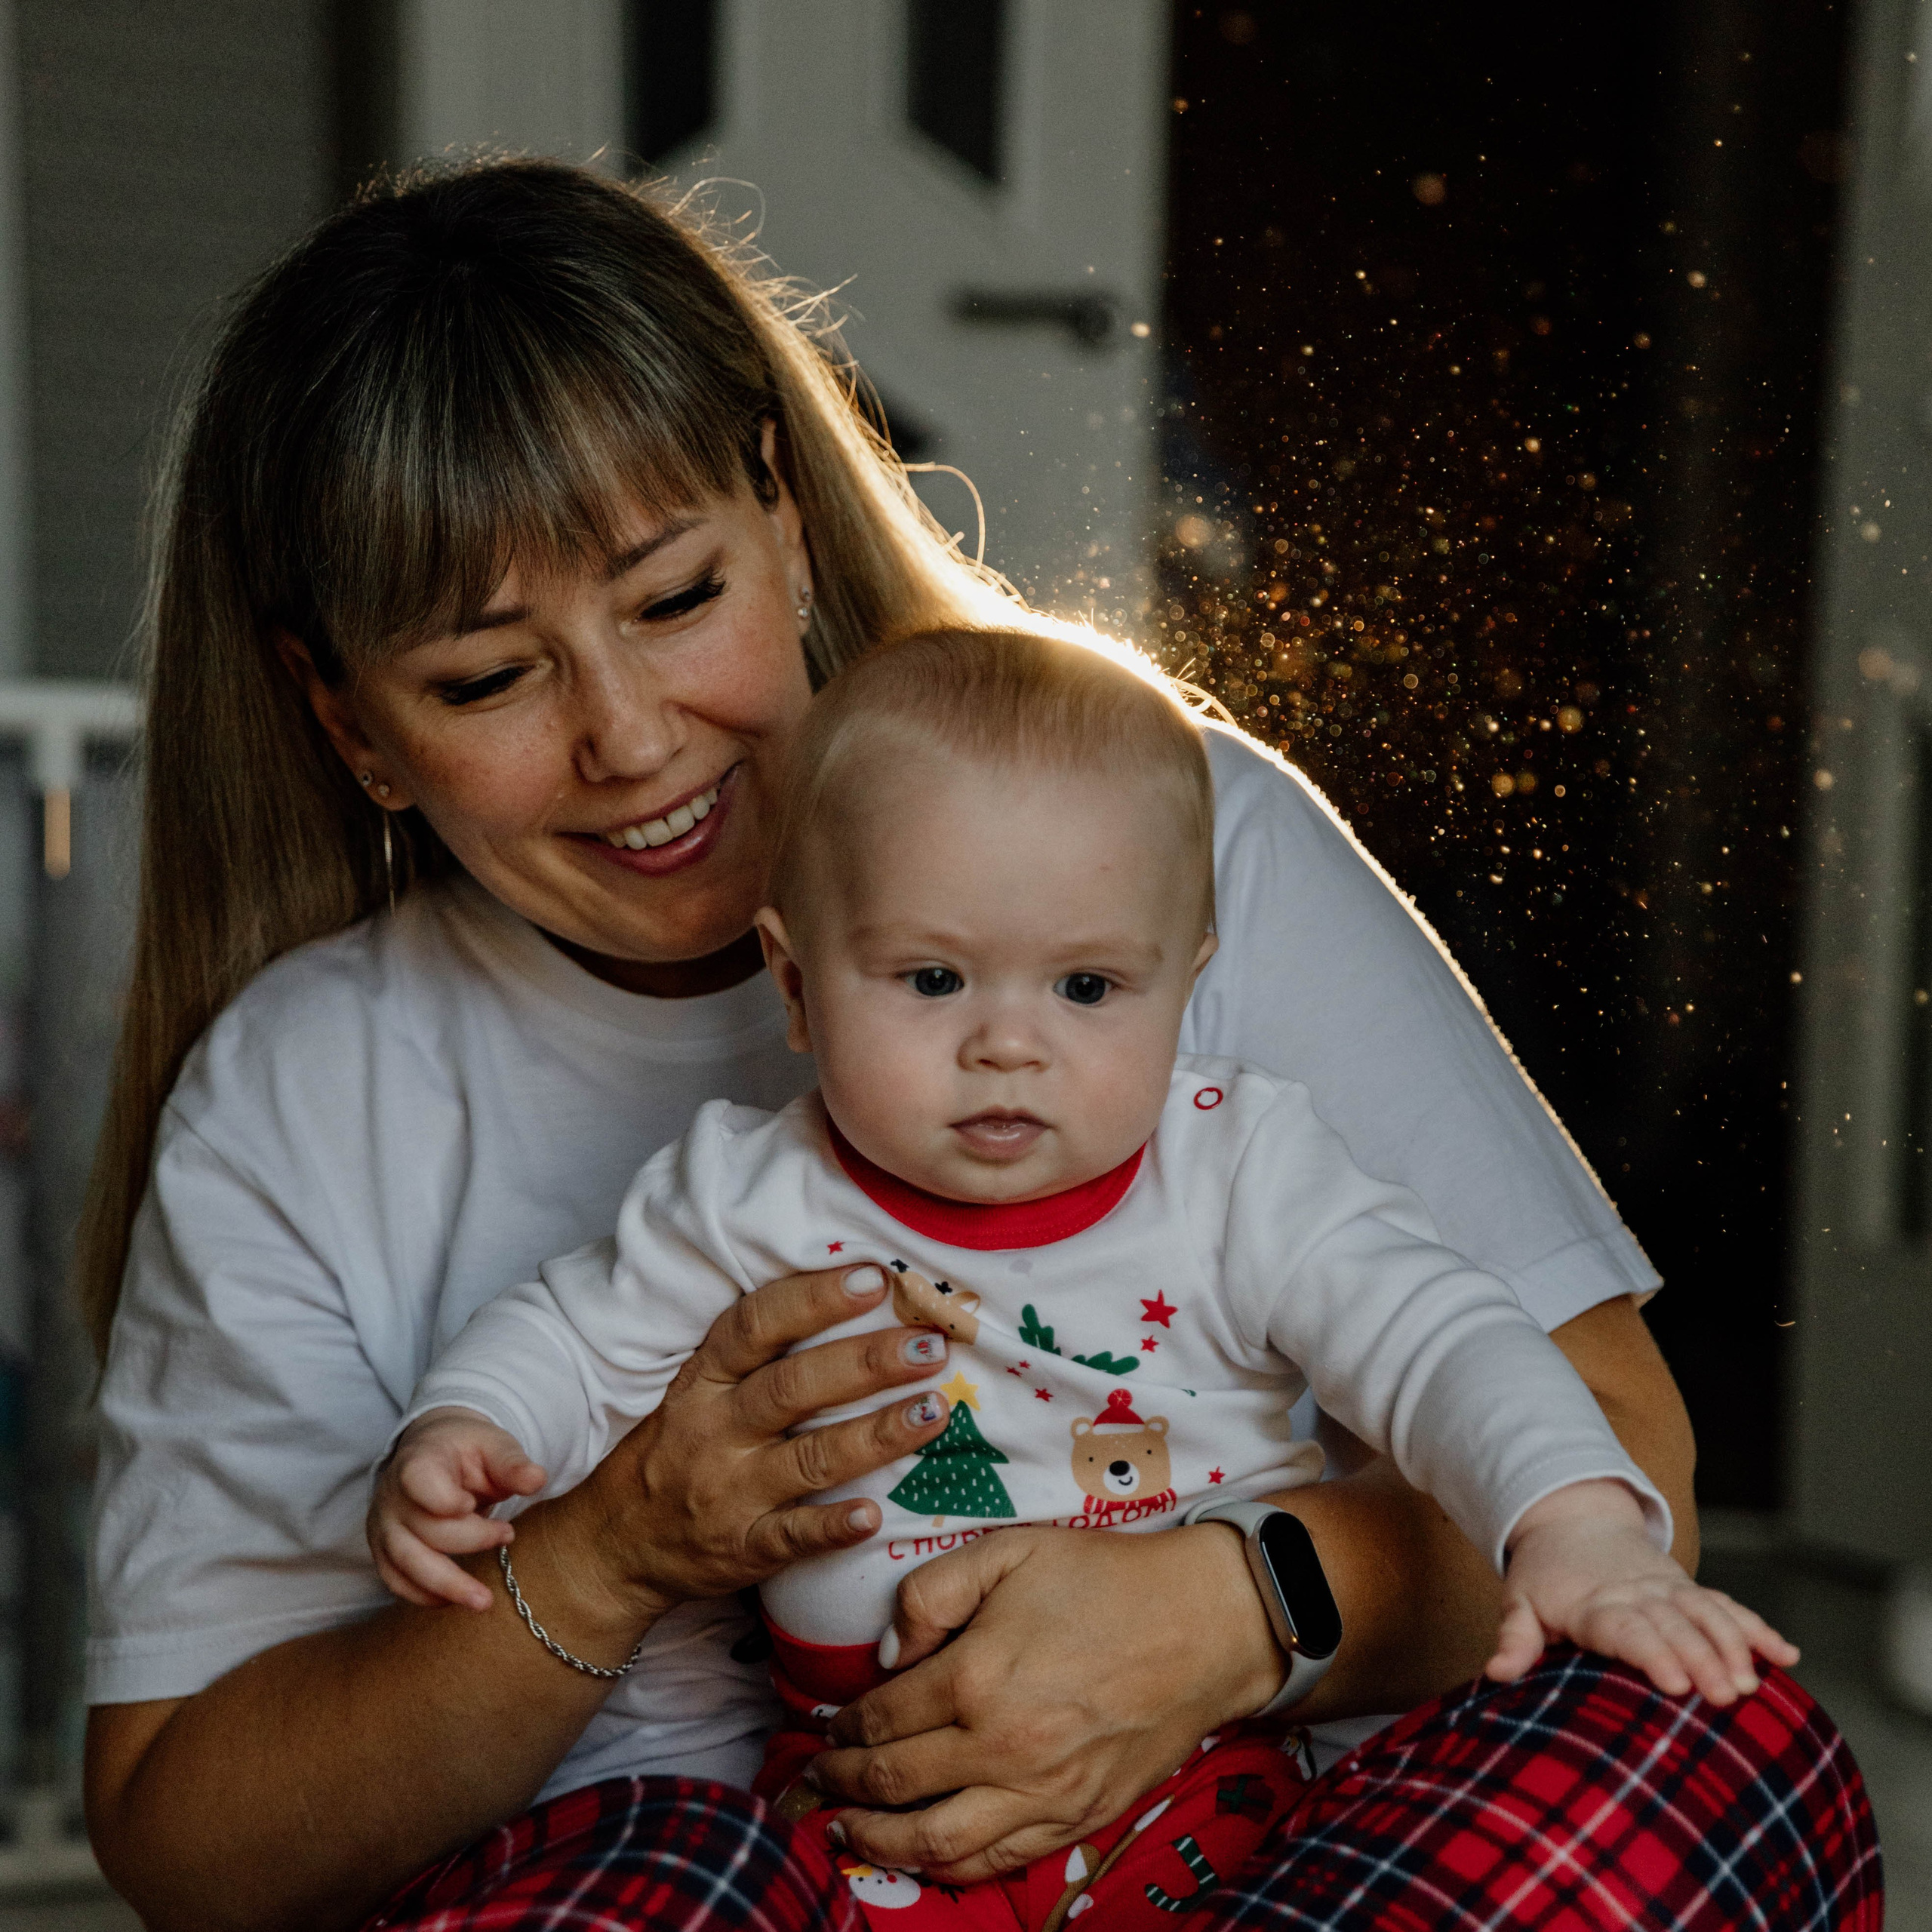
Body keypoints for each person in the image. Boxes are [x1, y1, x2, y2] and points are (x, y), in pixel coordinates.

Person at [78, 160, 1877, 1932]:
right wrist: (604, 1549)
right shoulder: (336, 1093)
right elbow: (191, 1839)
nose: (627, 735)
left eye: (673, 594)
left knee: (1714, 1740)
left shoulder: (1159, 841)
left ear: (778, 511)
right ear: (352, 720)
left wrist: (1222, 1610)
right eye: (488, 678)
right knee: (664, 1861)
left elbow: (1617, 1459)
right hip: (747, 1867)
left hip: (1252, 1852)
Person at [370, 626, 1796, 1932]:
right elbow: (572, 1330)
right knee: (678, 1875)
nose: (1010, 1044)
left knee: (1695, 1739)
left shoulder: (1242, 1174)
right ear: (797, 987)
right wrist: (470, 1429)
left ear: (1190, 980)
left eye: (1089, 990)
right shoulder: (750, 1198)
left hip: (1223, 1790)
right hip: (871, 1809)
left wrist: (1576, 1525)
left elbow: (1447, 1342)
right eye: (932, 982)